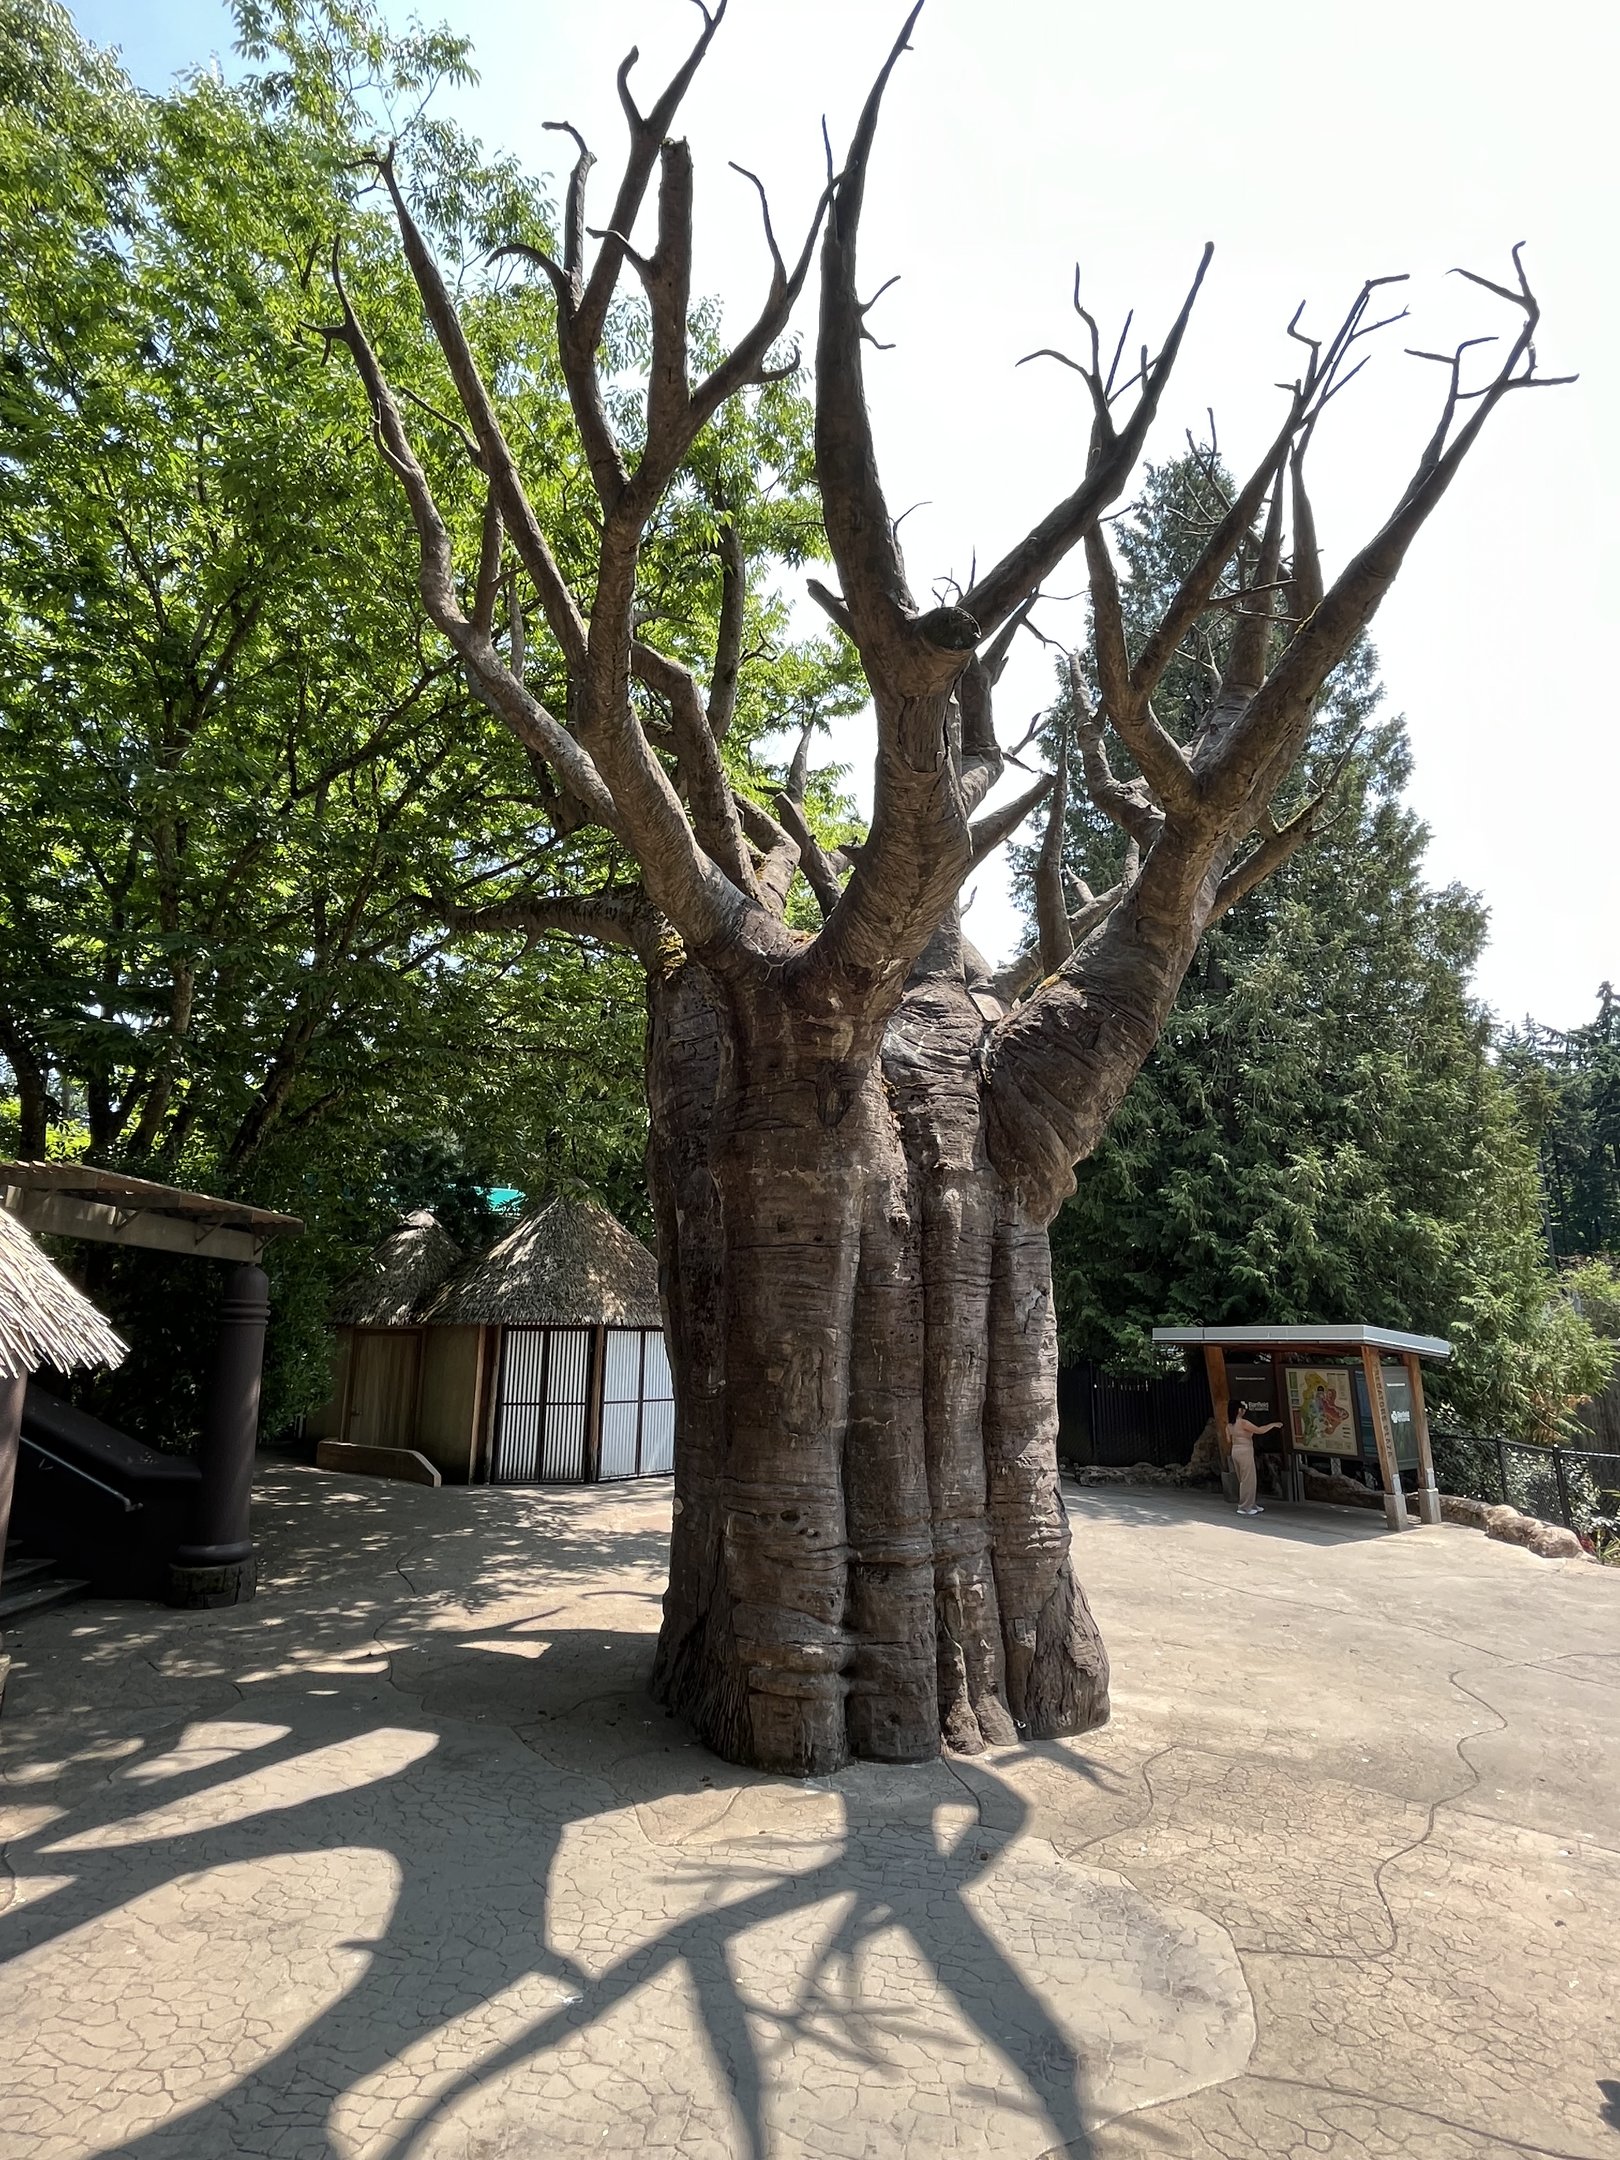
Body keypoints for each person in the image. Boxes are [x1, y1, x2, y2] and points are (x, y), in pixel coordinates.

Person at [1226, 1398, 1283, 1517]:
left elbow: (1228, 1440)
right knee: (1248, 1479)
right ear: (1239, 1410)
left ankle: (1251, 1504)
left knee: (1243, 1478)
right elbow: (1259, 1430)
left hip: (1235, 1450)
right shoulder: (1243, 1423)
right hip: (1245, 1451)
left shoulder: (1229, 1425)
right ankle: (1244, 1507)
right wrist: (1273, 1424)